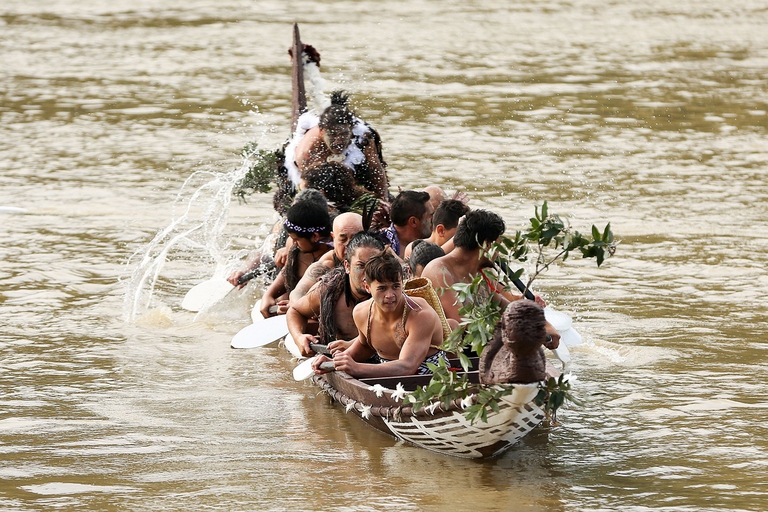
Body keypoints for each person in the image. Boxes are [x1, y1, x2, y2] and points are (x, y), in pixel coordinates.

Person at [420, 209, 559, 348]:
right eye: (498, 246)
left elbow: (507, 308)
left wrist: (542, 323)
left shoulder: (481, 273)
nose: (498, 253)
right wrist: (528, 331)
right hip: (455, 355)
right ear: (487, 246)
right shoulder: (439, 271)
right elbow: (464, 324)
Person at [313, 251, 447, 378]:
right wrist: (333, 362)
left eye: (395, 286)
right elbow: (364, 346)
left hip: (430, 380)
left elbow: (407, 366)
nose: (390, 295)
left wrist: (356, 368)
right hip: (385, 377)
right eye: (382, 288)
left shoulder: (420, 315)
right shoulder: (361, 313)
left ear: (402, 283)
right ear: (367, 287)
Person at [274, 90, 389, 214]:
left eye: (344, 134)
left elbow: (376, 170)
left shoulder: (363, 138)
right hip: (313, 183)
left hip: (351, 175)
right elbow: (307, 187)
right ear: (322, 131)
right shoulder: (307, 153)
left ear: (351, 130)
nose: (339, 141)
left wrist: (383, 200)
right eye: (333, 135)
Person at [287, 231, 385, 357]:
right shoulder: (328, 290)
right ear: (347, 266)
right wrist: (299, 337)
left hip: (380, 365)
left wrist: (351, 345)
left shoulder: (392, 295)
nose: (368, 273)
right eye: (360, 265)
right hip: (335, 360)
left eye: (374, 265)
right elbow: (295, 311)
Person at [258, 199, 333, 317]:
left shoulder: (335, 254)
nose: (294, 243)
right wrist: (269, 295)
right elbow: (287, 272)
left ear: (315, 236)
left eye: (296, 239)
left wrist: (297, 307)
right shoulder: (292, 245)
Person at [288, 212, 363, 303]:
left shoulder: (376, 257)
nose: (349, 244)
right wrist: (300, 310)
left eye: (355, 239)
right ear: (333, 237)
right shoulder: (327, 263)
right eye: (343, 239)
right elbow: (297, 293)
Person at [403, 198, 470, 259]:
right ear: (441, 230)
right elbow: (428, 263)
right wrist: (457, 236)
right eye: (460, 235)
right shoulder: (414, 248)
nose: (462, 240)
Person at [380, 190, 434, 258]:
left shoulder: (435, 239)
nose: (435, 218)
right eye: (431, 215)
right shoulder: (380, 246)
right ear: (413, 222)